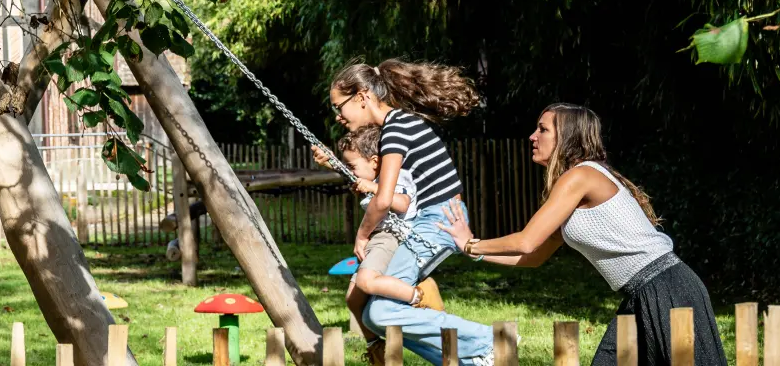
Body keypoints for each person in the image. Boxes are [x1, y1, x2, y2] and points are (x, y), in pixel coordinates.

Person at [435, 104, 726, 366]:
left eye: (543, 129)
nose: (532, 136)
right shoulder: (574, 183)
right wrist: (473, 251)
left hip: (668, 288)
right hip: (640, 294)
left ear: (567, 138)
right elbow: (533, 257)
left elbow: (526, 240)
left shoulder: (579, 177)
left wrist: (472, 244)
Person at [311, 59, 494, 365]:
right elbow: (373, 173)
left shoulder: (396, 129)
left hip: (440, 220)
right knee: (373, 314)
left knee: (380, 311)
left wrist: (362, 235)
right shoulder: (396, 127)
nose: (338, 116)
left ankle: (487, 341)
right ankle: (468, 361)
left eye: (338, 106)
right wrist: (335, 163)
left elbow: (383, 199)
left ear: (362, 96)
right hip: (431, 220)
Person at [336, 126, 444, 362]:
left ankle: (420, 294)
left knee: (365, 282)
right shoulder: (373, 176)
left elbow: (402, 203)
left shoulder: (395, 176)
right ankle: (376, 347)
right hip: (379, 238)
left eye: (352, 167)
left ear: (374, 161)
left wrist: (374, 188)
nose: (349, 173)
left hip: (391, 237)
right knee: (353, 298)